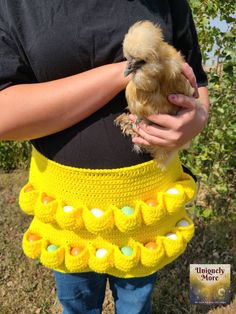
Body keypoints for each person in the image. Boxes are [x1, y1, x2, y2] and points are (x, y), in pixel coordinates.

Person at [0, 1, 210, 313]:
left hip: (144, 205)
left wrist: (196, 119)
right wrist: (123, 74)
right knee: (77, 301)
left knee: (136, 301)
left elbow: (196, 79)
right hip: (70, 210)